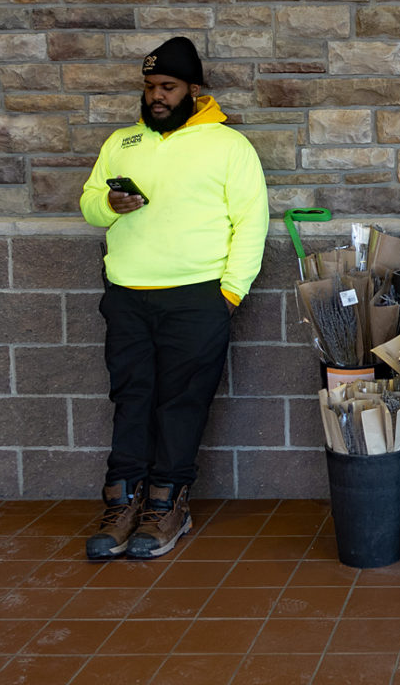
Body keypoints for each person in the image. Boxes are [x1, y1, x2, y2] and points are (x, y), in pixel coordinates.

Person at [78, 37, 268, 561]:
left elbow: (251, 222)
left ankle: (167, 506)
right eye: (149, 87)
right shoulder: (122, 142)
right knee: (131, 398)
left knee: (181, 404)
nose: (156, 97)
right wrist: (111, 203)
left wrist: (230, 292)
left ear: (193, 89)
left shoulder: (228, 146)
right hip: (128, 296)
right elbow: (91, 205)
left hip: (197, 297)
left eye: (167, 87)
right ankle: (122, 503)